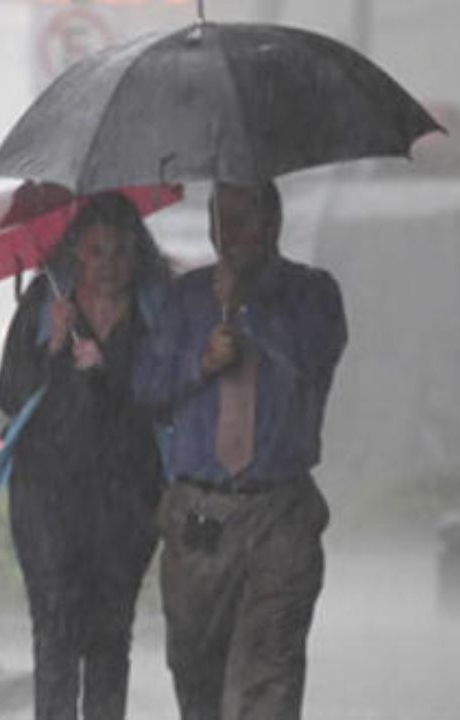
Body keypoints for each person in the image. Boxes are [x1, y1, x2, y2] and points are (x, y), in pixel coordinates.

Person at [133, 181, 347, 720]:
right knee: (197, 670)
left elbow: (313, 360)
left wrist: (250, 309)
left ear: (273, 225)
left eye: (246, 220)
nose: (233, 235)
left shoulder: (312, 293)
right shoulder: (185, 299)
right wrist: (199, 364)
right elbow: (147, 389)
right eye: (222, 221)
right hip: (199, 515)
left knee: (268, 668)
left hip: (278, 509)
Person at [0, 191, 169, 720]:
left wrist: (108, 367)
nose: (107, 265)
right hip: (48, 498)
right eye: (95, 251)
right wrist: (52, 348)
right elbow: (2, 410)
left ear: (137, 255)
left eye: (119, 251)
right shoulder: (44, 306)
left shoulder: (159, 311)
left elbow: (169, 393)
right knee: (55, 627)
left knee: (112, 631)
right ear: (75, 254)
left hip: (128, 499)